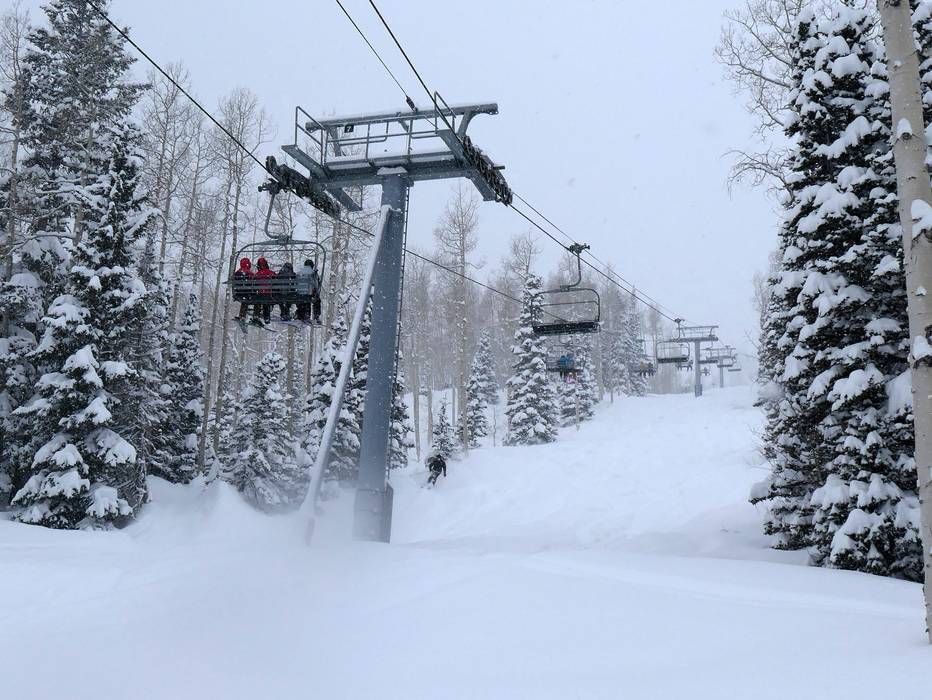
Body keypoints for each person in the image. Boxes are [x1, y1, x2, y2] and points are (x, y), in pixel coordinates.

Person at [296, 259, 322, 324]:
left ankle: (301, 315)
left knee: (303, 299)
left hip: (299, 294)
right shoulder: (313, 273)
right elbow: (316, 284)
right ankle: (316, 316)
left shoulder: (299, 273)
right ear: (312, 266)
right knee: (316, 299)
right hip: (309, 293)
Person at [252, 256, 276, 324]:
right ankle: (266, 317)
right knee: (266, 302)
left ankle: (256, 315)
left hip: (260, 294)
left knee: (258, 301)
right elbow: (276, 281)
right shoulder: (271, 273)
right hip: (269, 294)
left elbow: (254, 284)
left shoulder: (257, 274)